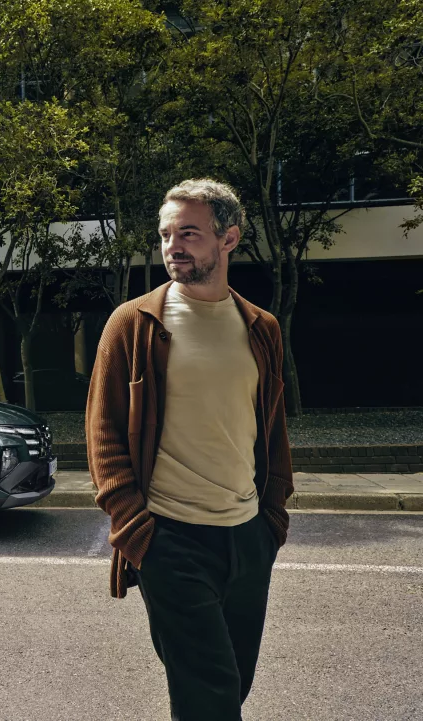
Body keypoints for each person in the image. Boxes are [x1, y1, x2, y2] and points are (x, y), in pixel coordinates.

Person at [85, 178, 294, 720]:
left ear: (229, 239)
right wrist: (137, 532)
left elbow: (271, 428)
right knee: (210, 693)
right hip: (170, 538)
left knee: (232, 683)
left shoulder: (261, 328)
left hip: (247, 536)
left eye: (189, 234)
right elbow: (103, 434)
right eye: (166, 234)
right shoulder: (134, 325)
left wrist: (272, 521)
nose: (172, 246)